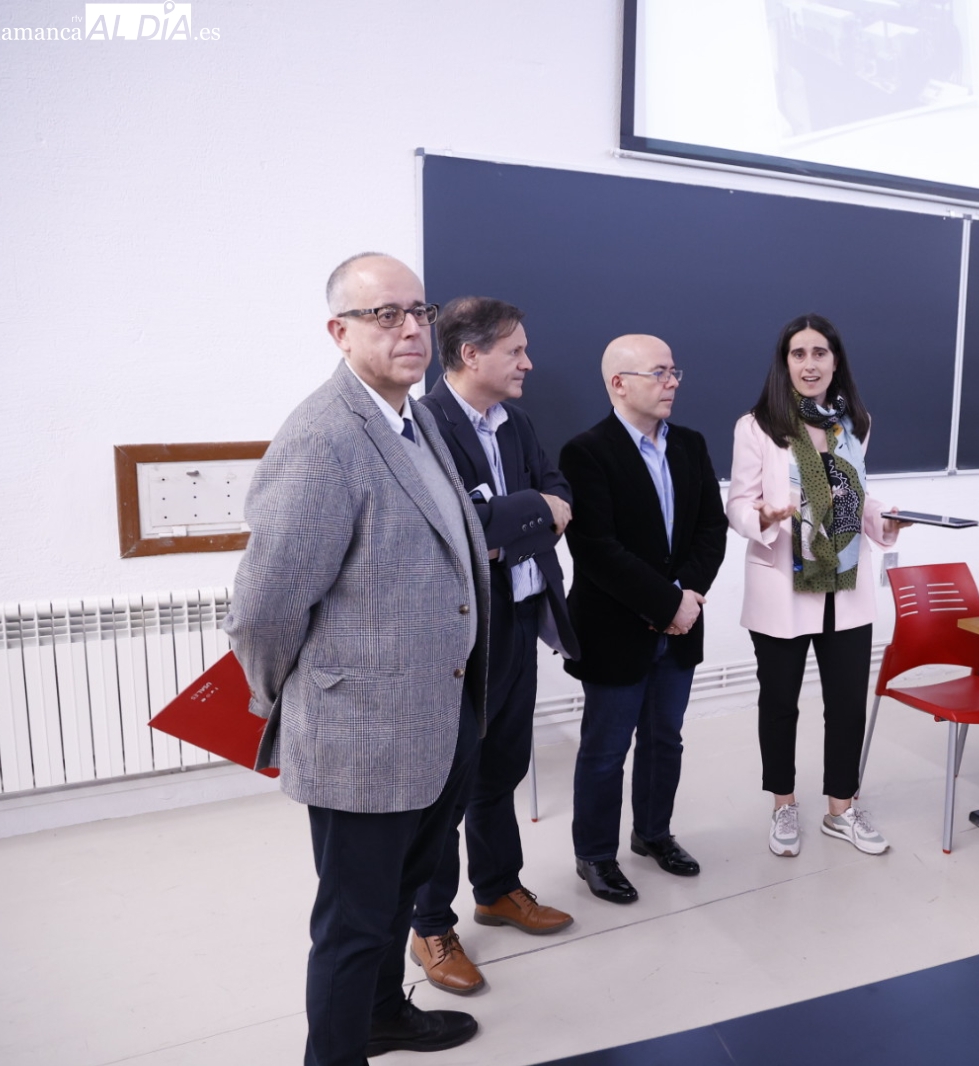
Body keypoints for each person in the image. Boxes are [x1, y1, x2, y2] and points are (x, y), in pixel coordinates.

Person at [225, 252, 487, 1064]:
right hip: (362, 732)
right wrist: (292, 698)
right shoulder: (324, 438)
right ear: (339, 332)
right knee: (352, 921)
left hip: (436, 715)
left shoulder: (413, 418)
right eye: (385, 315)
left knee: (399, 895)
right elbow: (264, 609)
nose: (411, 329)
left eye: (419, 311)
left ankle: (381, 1016)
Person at [407, 297, 580, 995]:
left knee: (501, 769)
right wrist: (532, 515)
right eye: (516, 351)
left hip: (519, 617)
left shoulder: (517, 423)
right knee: (444, 789)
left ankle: (499, 888)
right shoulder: (425, 425)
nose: (528, 363)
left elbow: (557, 489)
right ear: (470, 354)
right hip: (460, 634)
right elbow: (459, 523)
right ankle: (429, 925)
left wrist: (515, 523)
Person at [726, 313, 905, 859]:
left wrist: (885, 520)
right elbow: (737, 503)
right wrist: (765, 515)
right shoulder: (757, 426)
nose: (810, 364)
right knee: (780, 703)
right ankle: (783, 804)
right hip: (783, 583)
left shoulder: (856, 423)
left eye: (819, 353)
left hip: (844, 588)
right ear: (785, 363)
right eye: (798, 354)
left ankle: (841, 809)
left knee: (847, 705)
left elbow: (857, 495)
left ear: (835, 360)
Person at [559, 334, 728, 904]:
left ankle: (653, 834)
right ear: (619, 384)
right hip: (616, 631)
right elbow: (597, 550)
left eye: (674, 371)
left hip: (681, 624)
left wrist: (689, 596)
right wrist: (667, 604)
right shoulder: (586, 452)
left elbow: (711, 529)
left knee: (665, 740)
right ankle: (595, 856)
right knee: (606, 751)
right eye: (659, 373)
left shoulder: (691, 444)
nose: (672, 382)